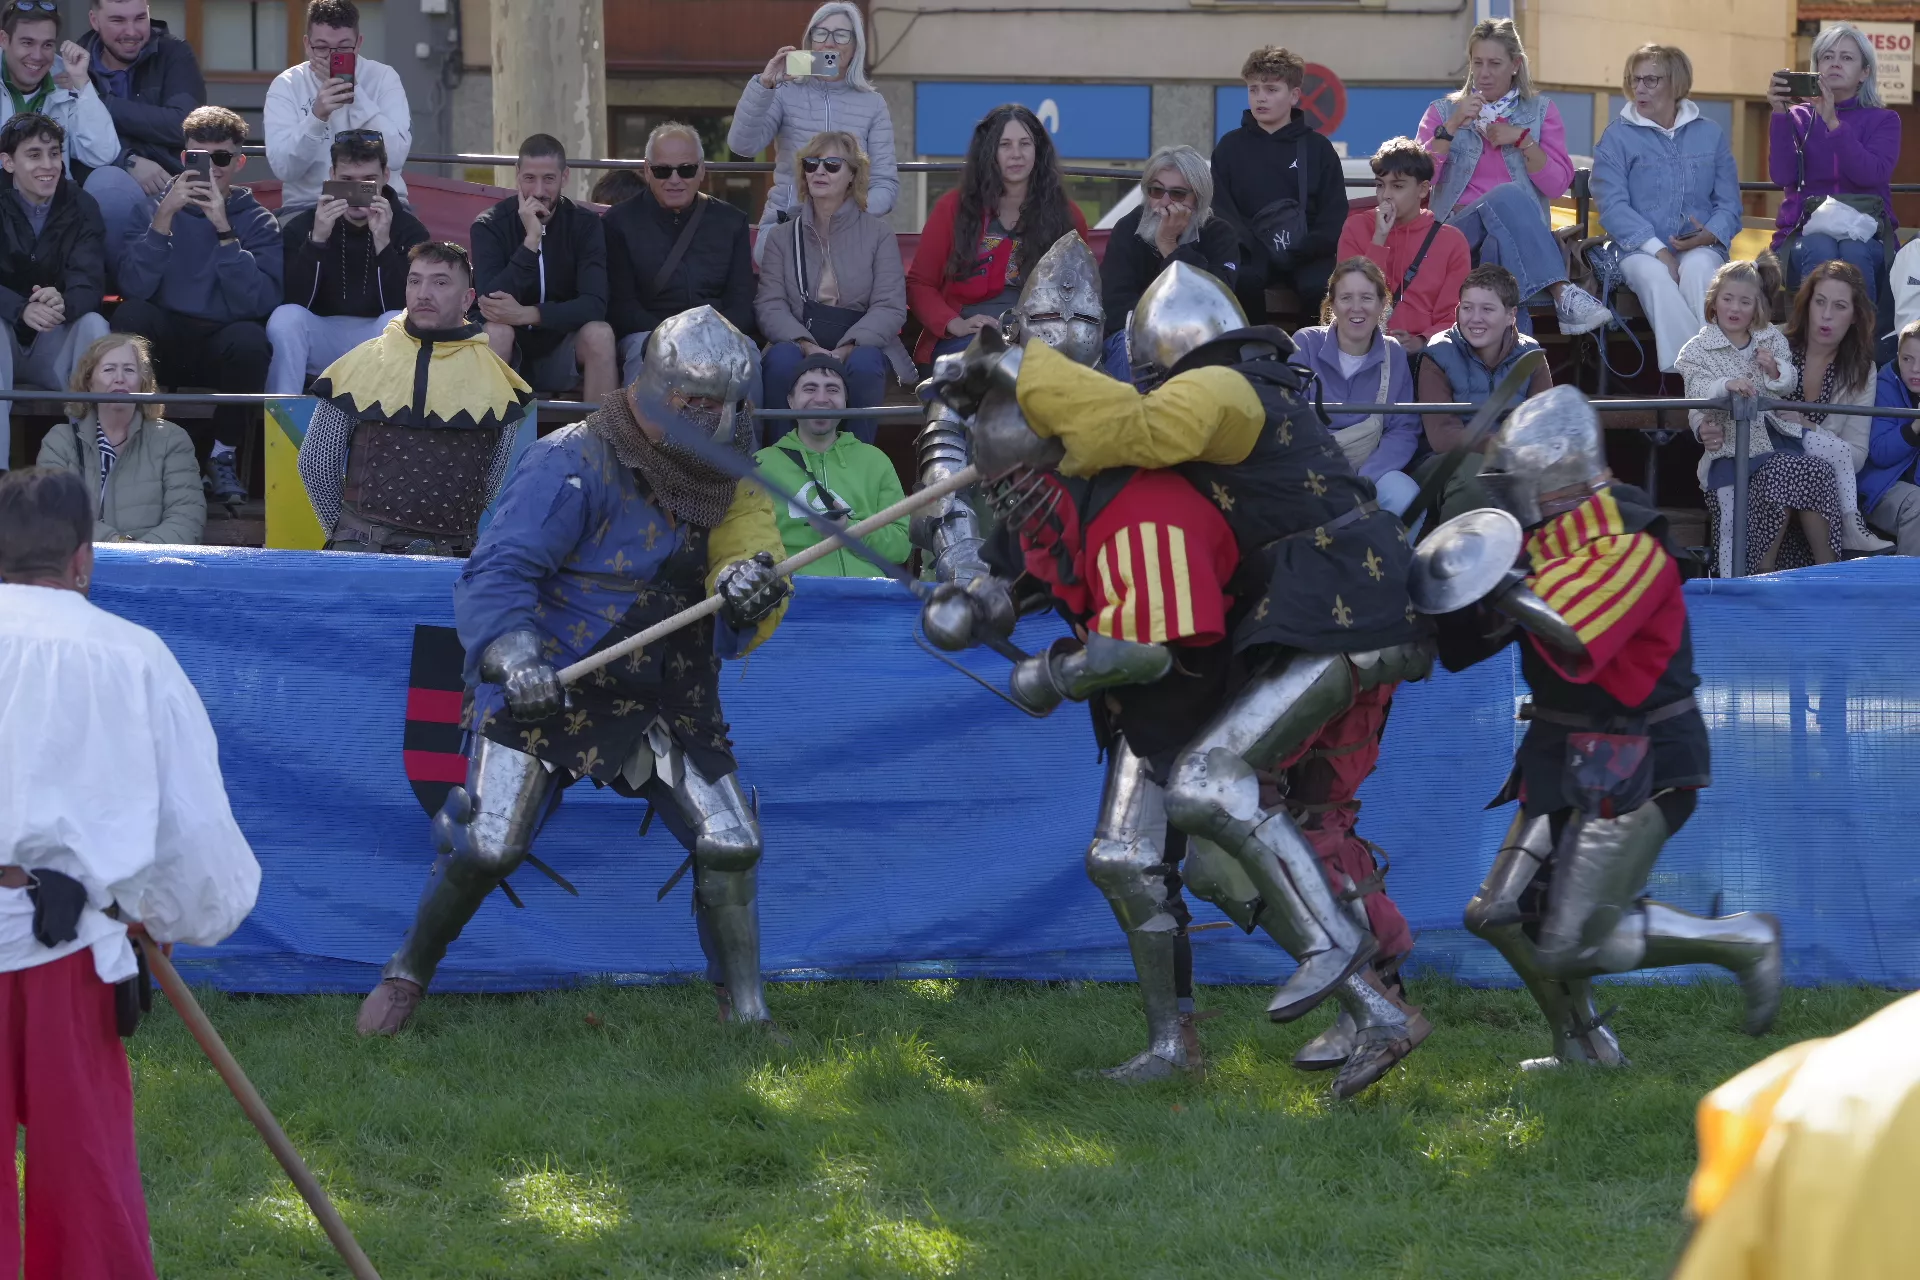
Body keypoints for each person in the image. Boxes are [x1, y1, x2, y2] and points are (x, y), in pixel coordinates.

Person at [924, 262, 1432, 1099]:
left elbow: (1137, 431)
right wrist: (977, 586)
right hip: (1306, 615)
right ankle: (1281, 1018)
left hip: (1338, 605)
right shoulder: (1218, 406)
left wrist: (1018, 366)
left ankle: (1349, 969)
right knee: (1175, 843)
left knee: (1214, 788)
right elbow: (1060, 531)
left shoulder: (1223, 393)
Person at [354, 306, 792, 1037]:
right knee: (487, 845)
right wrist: (516, 655)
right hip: (554, 672)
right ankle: (407, 974)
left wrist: (751, 581)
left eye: (722, 406)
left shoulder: (732, 466)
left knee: (732, 842)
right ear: (656, 391)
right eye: (696, 404)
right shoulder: (573, 457)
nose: (711, 418)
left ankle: (745, 1014)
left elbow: (751, 548)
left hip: (664, 683)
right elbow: (500, 570)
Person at [1436, 386, 1781, 1070]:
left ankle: (1743, 940)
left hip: (1641, 758)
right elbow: (1464, 639)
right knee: (1495, 914)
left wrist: (1498, 583)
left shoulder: (1632, 541)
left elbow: (1574, 637)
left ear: (1550, 477)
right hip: (1561, 752)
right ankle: (1585, 1048)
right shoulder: (1542, 544)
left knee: (1571, 941)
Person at [0, 465, 259, 1280]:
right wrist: (169, 914)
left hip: (69, 937)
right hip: (68, 949)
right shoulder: (132, 656)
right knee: (84, 1167)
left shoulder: (129, 657)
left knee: (84, 1162)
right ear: (83, 559)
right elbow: (190, 828)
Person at [297, 241, 532, 556]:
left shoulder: (497, 381)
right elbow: (316, 466)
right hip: (362, 554)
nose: (424, 292)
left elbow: (488, 484)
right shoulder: (360, 363)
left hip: (452, 558)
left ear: (467, 299)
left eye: (440, 282)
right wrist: (348, 537)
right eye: (415, 280)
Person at [112, 105, 280, 508]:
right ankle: (133, 448)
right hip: (165, 339)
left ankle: (222, 454)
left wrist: (224, 231)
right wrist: (164, 219)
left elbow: (258, 302)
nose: (212, 167)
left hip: (220, 341)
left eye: (221, 157)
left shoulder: (257, 220)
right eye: (197, 158)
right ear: (184, 157)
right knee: (129, 318)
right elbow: (132, 286)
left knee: (251, 340)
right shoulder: (152, 208)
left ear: (239, 161)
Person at [1678, 258, 1880, 575]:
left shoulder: (1856, 368)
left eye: (1839, 306)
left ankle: (1831, 573)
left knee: (1812, 467)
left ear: (1855, 315)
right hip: (1744, 453)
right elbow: (1697, 393)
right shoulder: (1774, 335)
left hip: (1800, 464)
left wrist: (1806, 421)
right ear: (1807, 303)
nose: (1826, 315)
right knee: (1783, 470)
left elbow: (1852, 455)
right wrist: (1701, 427)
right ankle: (1748, 582)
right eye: (1820, 302)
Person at [1415, 19, 1612, 337]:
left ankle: (1518, 361)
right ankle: (1563, 293)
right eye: (1477, 63)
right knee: (1507, 195)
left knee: (1498, 247)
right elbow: (1419, 178)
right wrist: (1452, 125)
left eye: (1495, 63)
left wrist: (1522, 140)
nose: (1484, 73)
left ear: (1515, 65)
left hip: (1514, 240)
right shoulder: (1442, 112)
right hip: (1454, 236)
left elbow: (1556, 185)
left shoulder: (1540, 112)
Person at [1592, 45, 1742, 374]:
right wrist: (1660, 251)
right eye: (1634, 80)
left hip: (1700, 245)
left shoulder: (1710, 133)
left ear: (1675, 83)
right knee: (1655, 277)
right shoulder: (1615, 138)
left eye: (1650, 80)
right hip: (1637, 250)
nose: (1639, 88)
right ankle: (1705, 372)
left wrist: (1708, 235)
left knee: (1700, 268)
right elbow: (1612, 206)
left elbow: (1730, 204)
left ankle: (1707, 374)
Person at [754, 130, 908, 445]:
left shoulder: (878, 234)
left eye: (832, 164)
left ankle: (854, 467)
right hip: (798, 339)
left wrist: (847, 347)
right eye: (811, 164)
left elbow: (890, 306)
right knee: (781, 361)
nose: (819, 171)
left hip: (860, 341)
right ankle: (784, 466)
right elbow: (770, 305)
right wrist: (806, 345)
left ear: (853, 175)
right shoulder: (782, 236)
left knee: (865, 365)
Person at [907, 103, 1090, 367]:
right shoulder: (952, 208)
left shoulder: (1067, 216)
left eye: (1025, 144)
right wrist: (955, 324)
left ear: (1038, 151)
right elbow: (920, 284)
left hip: (1042, 341)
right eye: (1005, 145)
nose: (1016, 154)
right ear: (989, 152)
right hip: (967, 338)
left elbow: (1082, 295)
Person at [728, 1, 897, 256]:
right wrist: (764, 85)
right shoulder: (785, 91)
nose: (829, 43)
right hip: (787, 221)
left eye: (841, 35)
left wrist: (846, 214)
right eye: (821, 33)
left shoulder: (872, 103)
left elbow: (885, 185)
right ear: (810, 42)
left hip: (850, 228)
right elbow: (742, 145)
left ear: (855, 47)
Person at [267, 130, 427, 396]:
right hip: (320, 335)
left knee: (395, 320)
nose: (356, 191)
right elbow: (293, 300)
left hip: (378, 335)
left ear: (386, 177)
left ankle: (385, 427)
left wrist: (383, 243)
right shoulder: (303, 226)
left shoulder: (409, 229)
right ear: (331, 176)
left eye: (368, 181)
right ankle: (283, 421)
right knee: (285, 319)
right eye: (346, 180)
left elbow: (406, 306)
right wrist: (317, 240)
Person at [605, 121, 757, 386]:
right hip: (648, 333)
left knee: (749, 357)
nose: (674, 179)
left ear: (701, 170)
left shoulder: (731, 221)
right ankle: (639, 430)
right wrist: (671, 337)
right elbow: (622, 306)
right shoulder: (618, 222)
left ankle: (745, 430)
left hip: (717, 332)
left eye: (685, 170)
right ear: (647, 170)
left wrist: (708, 335)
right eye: (663, 170)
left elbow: (742, 301)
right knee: (642, 359)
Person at [0, 112, 108, 471]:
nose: (48, 166)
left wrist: (63, 300)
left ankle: (91, 470)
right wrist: (19, 309)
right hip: (5, 337)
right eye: (34, 155)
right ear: (7, 162)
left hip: (53, 336)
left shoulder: (81, 205)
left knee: (94, 325)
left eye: (55, 153)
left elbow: (90, 279)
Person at [471, 134, 615, 401]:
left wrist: (529, 314)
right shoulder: (490, 225)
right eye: (529, 178)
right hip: (510, 349)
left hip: (561, 347)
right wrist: (531, 242)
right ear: (517, 176)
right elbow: (489, 302)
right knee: (497, 331)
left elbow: (594, 305)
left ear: (565, 177)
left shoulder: (585, 225)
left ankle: (600, 440)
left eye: (548, 179)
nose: (538, 191)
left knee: (600, 334)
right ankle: (487, 441)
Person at [1210, 46, 1347, 324]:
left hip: (1308, 253)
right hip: (1248, 253)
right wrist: (1253, 247)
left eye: (1271, 90)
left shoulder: (1318, 148)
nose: (1260, 98)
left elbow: (1334, 213)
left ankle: (1309, 358)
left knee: (1320, 287)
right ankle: (1254, 355)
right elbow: (1221, 209)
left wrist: (1306, 248)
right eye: (1253, 89)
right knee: (1241, 281)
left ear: (1294, 95)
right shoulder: (1229, 147)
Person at [1768, 22, 1899, 310]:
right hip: (1803, 234)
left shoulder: (1885, 120)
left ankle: (1861, 349)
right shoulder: (1796, 117)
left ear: (1865, 72)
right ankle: (1810, 345)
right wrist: (1780, 115)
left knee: (1854, 250)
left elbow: (1870, 174)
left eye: (1847, 57)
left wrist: (1833, 123)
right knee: (1820, 245)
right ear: (1816, 67)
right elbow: (1782, 175)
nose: (1835, 63)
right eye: (1827, 57)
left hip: (1868, 234)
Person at [34, 332, 202, 542]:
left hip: (152, 566)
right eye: (109, 369)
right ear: (89, 383)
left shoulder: (172, 439)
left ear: (143, 383)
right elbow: (52, 514)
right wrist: (116, 544)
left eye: (129, 370)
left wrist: (140, 556)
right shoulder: (60, 441)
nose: (120, 378)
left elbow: (187, 517)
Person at [79, 0, 206, 274]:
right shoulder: (76, 66)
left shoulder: (174, 53)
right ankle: (118, 292)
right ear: (94, 20)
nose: (132, 31)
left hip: (172, 183)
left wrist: (103, 104)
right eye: (118, 21)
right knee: (107, 184)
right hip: (99, 191)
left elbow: (184, 125)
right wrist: (127, 160)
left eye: (140, 18)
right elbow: (73, 139)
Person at [753, 351, 908, 575]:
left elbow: (901, 547)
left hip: (866, 599)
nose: (821, 399)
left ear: (845, 402)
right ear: (790, 400)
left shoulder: (876, 461)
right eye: (810, 389)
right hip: (795, 599)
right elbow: (751, 546)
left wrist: (848, 530)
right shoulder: (762, 465)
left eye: (833, 389)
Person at [1288, 258, 1420, 514]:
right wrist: (1329, 474)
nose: (1356, 308)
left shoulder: (1394, 354)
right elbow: (1289, 418)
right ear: (1333, 304)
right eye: (1346, 298)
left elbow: (1403, 429)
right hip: (1311, 467)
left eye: (1367, 298)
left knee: (1406, 495)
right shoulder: (1305, 343)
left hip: (1369, 470)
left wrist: (1365, 480)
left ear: (1383, 304)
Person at [1099, 144, 1240, 380]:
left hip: (1199, 341)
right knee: (1125, 348)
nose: (1163, 203)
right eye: (1156, 191)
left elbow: (1213, 306)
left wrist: (1170, 247)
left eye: (1177, 194)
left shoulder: (1219, 234)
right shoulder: (1128, 228)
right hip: (1133, 340)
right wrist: (1161, 332)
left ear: (1198, 199)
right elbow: (1115, 308)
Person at [264, 0, 411, 218]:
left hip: (378, 203)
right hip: (308, 206)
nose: (332, 57)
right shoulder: (287, 84)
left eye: (343, 48)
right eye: (322, 48)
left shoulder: (383, 77)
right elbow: (285, 169)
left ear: (359, 43)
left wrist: (355, 95)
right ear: (307, 44)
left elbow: (396, 156)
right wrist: (317, 116)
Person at [1337, 136, 1471, 355]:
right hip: (1364, 344)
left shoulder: (1451, 240)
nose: (1385, 196)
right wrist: (1379, 238)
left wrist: (1422, 341)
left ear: (1423, 189)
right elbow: (1351, 296)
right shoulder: (1356, 227)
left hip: (1427, 352)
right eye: (1380, 186)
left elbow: (1453, 312)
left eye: (1397, 186)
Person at [0, 2, 116, 176]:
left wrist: (82, 83)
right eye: (27, 43)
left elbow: (102, 154)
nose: (37, 56)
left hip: (52, 199)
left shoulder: (65, 82)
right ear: (4, 40)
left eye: (47, 45)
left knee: (109, 178)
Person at [1861, 320, 1920, 553]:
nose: (1915, 369)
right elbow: (1879, 453)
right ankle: (1907, 588)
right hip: (1881, 488)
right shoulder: (1885, 384)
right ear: (1897, 355)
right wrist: (1915, 428)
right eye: (1907, 359)